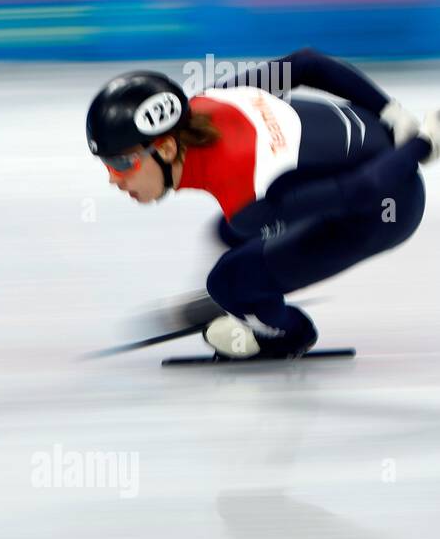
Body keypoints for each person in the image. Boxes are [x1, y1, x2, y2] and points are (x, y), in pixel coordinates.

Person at [86, 48, 438, 359]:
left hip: (387, 205)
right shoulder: (212, 100)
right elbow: (307, 64)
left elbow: (362, 189)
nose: (113, 179)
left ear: (164, 148)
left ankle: (287, 333)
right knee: (230, 232)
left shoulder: (247, 196)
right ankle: (252, 295)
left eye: (122, 164)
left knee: (228, 281)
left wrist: (423, 144)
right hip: (372, 141)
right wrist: (390, 110)